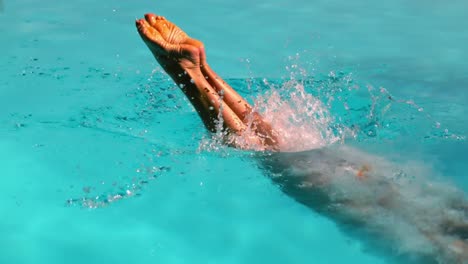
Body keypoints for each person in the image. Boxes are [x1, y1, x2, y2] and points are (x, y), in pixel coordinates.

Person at [135, 13, 468, 263]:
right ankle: (189, 73)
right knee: (273, 159)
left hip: (426, 195)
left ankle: (203, 70)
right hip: (436, 242)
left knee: (286, 148)